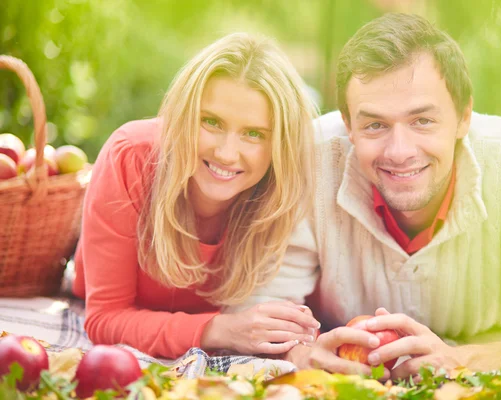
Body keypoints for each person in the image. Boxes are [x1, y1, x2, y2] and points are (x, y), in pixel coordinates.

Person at [227, 13, 501, 378]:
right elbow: (260, 312)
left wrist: (469, 360)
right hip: (341, 379)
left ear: (464, 115)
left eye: (422, 120)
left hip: (485, 373)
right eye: (375, 125)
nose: (399, 151)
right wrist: (302, 353)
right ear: (348, 125)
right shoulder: (308, 159)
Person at [72, 33, 321, 359]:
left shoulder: (282, 190)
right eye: (212, 122)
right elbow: (105, 318)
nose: (227, 153)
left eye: (253, 134)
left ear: (278, 145)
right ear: (184, 114)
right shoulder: (131, 157)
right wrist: (218, 329)